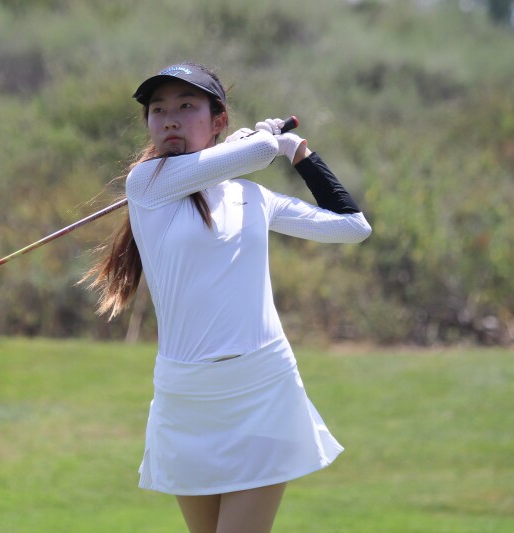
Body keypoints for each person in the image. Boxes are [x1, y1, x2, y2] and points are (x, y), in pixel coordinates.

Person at [83, 62, 372, 533]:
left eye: (186, 106)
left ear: (217, 120)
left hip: (262, 390)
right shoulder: (147, 184)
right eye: (159, 110)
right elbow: (256, 151)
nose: (170, 120)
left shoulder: (253, 197)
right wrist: (261, 141)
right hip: (185, 397)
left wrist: (298, 151)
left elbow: (352, 227)